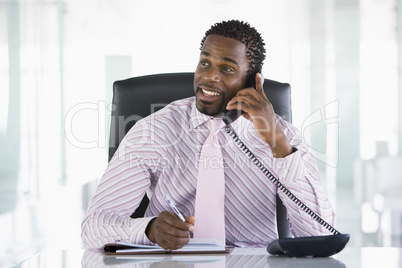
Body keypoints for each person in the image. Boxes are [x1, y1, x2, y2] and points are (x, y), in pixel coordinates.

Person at [81, 20, 335, 250]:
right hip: (172, 262)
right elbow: (92, 228)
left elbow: (320, 236)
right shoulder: (154, 130)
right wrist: (148, 229)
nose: (209, 77)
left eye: (227, 69)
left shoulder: (286, 137)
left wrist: (278, 144)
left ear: (253, 81)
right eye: (204, 63)